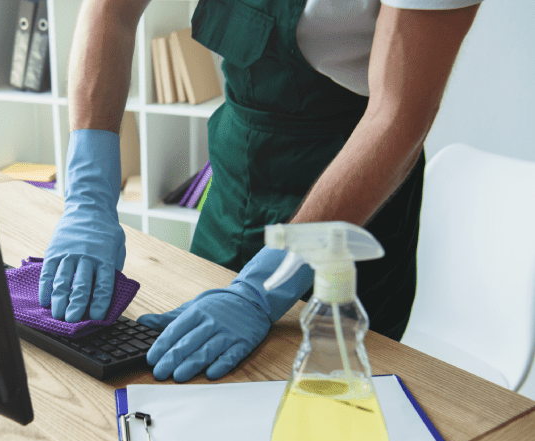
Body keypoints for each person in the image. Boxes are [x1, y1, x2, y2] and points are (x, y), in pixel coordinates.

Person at [38, 0, 482, 382]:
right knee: (188, 383)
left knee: (323, 412)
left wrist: (267, 284)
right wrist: (89, 196)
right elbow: (110, 10)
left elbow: (398, 115)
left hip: (351, 199)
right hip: (237, 177)